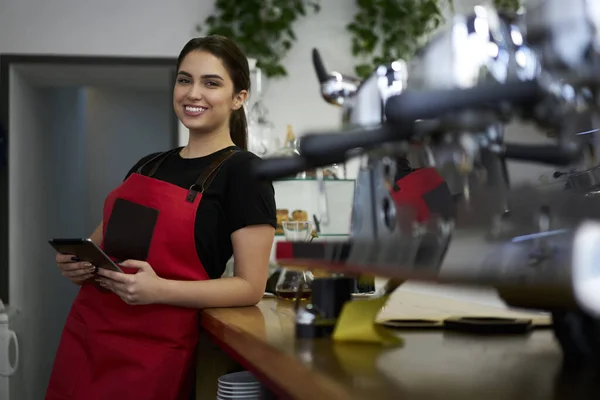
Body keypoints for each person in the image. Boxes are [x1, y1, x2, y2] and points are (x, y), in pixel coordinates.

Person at [45, 35, 277, 400]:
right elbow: (101, 248)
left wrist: (159, 290)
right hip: (90, 340)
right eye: (185, 79)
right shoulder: (148, 165)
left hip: (154, 354)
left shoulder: (244, 174)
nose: (193, 93)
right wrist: (77, 264)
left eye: (211, 83)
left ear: (239, 98)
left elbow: (249, 287)